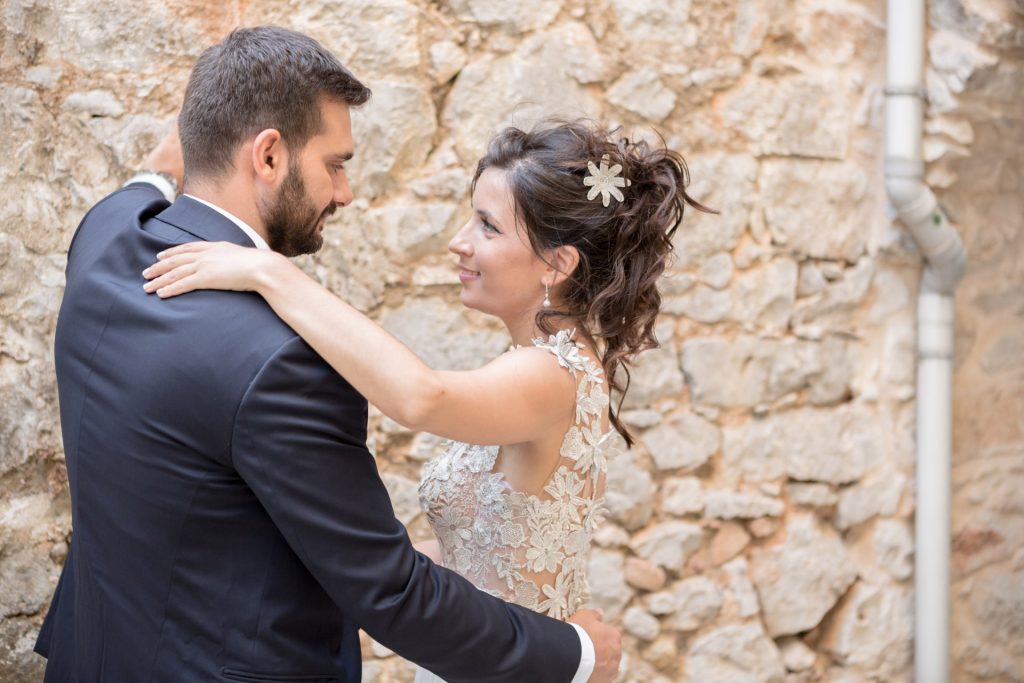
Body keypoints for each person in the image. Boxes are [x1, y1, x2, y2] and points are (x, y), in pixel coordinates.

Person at [35, 26, 622, 683]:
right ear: (268, 156)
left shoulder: (105, 238)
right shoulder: (284, 361)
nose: (344, 192)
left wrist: (177, 163)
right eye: (334, 164)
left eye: (485, 224)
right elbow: (389, 585)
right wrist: (577, 654)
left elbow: (143, 186)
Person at [142, 114, 711, 682]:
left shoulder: (551, 374)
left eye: (488, 227)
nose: (457, 243)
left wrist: (271, 274)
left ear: (556, 264)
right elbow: (480, 557)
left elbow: (421, 397)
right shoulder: (536, 367)